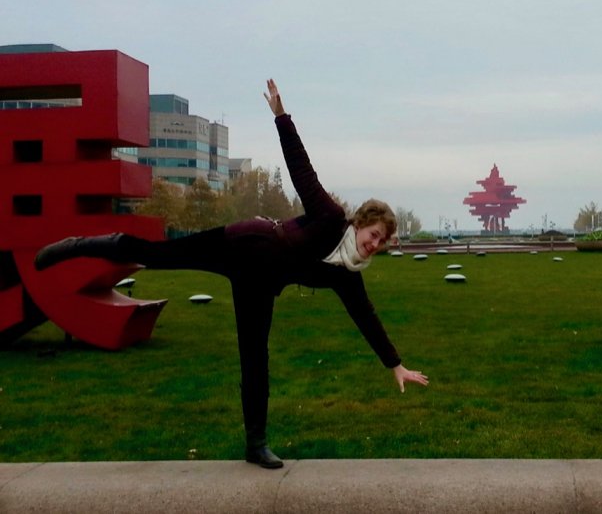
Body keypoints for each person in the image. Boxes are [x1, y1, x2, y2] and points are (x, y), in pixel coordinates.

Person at [34, 79, 429, 469]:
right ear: (361, 223)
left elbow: (366, 317)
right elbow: (301, 170)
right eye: (373, 235)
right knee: (157, 256)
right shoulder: (329, 219)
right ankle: (78, 245)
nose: (373, 245)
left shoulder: (346, 274)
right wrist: (281, 117)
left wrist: (395, 365)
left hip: (258, 284)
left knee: (255, 358)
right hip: (242, 244)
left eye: (381, 243)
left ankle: (255, 444)